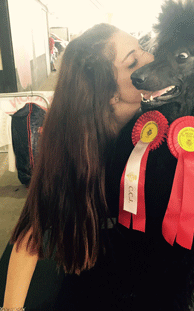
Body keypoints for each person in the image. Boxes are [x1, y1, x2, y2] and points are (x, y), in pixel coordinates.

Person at [2, 23, 154, 310]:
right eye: (133, 61)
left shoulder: (161, 129)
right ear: (109, 93)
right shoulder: (70, 148)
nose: (151, 58)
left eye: (143, 48)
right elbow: (30, 231)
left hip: (152, 283)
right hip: (88, 282)